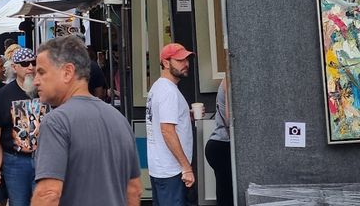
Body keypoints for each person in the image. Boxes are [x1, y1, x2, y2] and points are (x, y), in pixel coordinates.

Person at [32, 35, 141, 206]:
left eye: (41, 72)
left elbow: (48, 193)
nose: (36, 81)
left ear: (67, 72)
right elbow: (133, 190)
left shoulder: (56, 122)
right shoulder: (119, 119)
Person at [0, 48, 48, 206]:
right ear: (15, 67)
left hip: (45, 159)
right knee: (18, 202)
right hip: (15, 161)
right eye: (25, 63)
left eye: (33, 63)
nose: (30, 67)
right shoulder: (3, 95)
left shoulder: (46, 90)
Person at [147, 43, 195, 206]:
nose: (186, 64)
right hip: (172, 170)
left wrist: (185, 116)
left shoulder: (157, 86)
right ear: (166, 63)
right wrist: (186, 167)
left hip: (160, 167)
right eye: (180, 60)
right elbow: (167, 130)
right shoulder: (169, 92)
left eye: (186, 59)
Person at [205, 79, 232, 205]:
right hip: (223, 145)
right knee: (227, 197)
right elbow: (230, 118)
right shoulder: (229, 79)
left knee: (226, 194)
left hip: (220, 145)